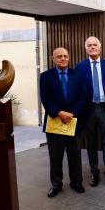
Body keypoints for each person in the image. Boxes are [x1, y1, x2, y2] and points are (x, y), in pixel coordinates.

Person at [40, 47, 88, 198]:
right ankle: (56, 184)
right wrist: (59, 113)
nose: (63, 59)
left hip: (74, 122)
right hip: (55, 122)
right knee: (56, 156)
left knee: (75, 155)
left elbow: (83, 96)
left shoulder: (78, 75)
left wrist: (72, 113)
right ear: (53, 59)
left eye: (65, 56)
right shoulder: (45, 76)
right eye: (59, 56)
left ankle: (76, 182)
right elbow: (45, 98)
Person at [76, 36, 105, 187]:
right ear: (86, 48)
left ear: (100, 48)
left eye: (95, 45)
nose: (92, 47)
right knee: (91, 144)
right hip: (88, 111)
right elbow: (78, 90)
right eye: (89, 45)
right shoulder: (79, 67)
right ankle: (94, 173)